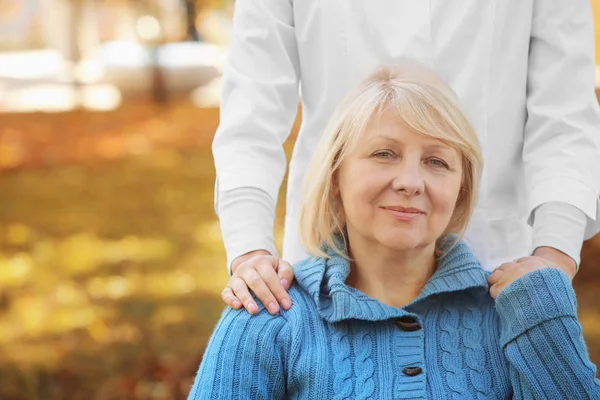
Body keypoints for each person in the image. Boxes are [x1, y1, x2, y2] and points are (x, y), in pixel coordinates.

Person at [189, 65, 600, 398]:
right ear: (336, 175)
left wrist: (544, 311)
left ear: (461, 191)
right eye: (384, 154)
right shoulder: (269, 317)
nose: (410, 181)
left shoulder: (518, 315)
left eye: (437, 162)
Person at [215, 0, 600, 315]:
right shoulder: (266, 333)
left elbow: (565, 109)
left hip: (496, 268)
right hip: (330, 268)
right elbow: (251, 109)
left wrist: (555, 255)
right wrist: (251, 250)